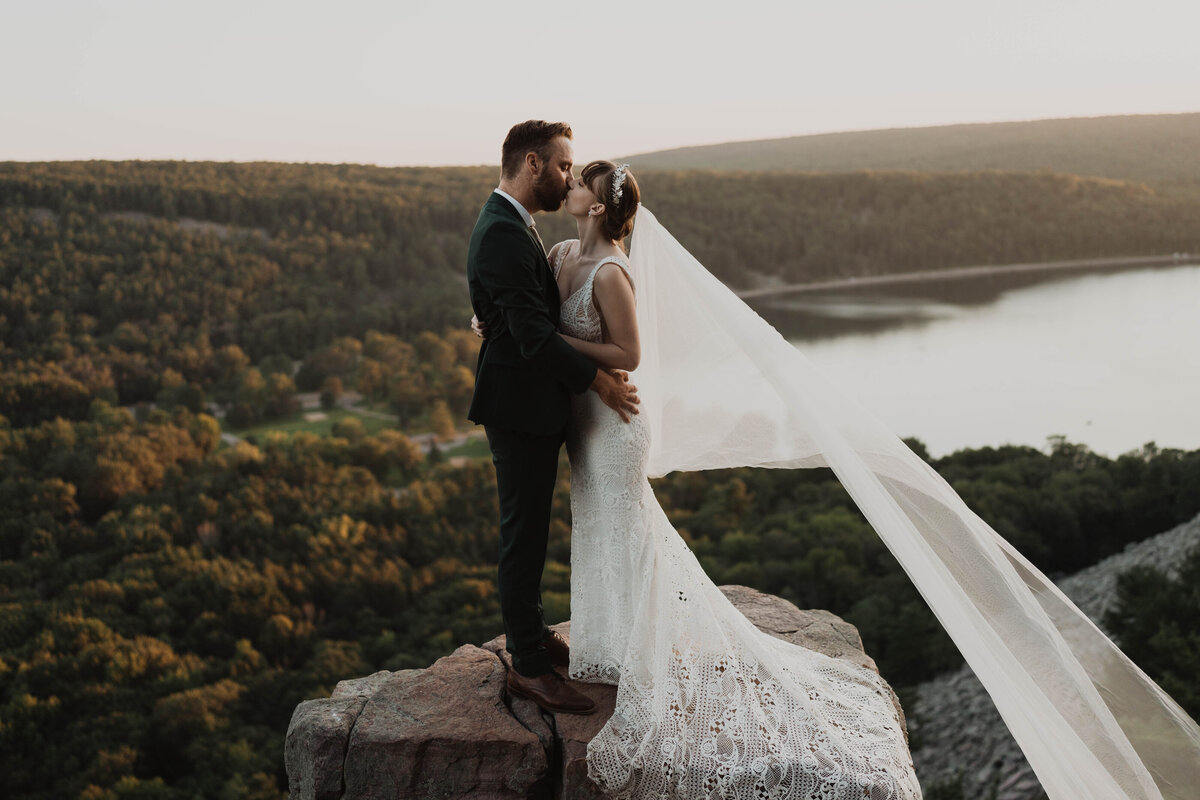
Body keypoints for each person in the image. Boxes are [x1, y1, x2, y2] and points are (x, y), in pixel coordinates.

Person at [480, 158, 1200, 800]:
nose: (570, 183)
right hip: (585, 418)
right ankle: (605, 640)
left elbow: (627, 354)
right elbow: (524, 307)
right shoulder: (563, 252)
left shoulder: (612, 271)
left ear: (600, 204)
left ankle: (636, 649)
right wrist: (498, 326)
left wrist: (555, 347)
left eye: (580, 179)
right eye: (569, 172)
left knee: (625, 527)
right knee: (596, 527)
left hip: (615, 423)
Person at [465, 122, 639, 718]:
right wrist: (600, 382)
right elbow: (536, 338)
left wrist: (491, 317)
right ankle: (529, 667)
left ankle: (534, 636)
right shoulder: (503, 230)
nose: (569, 178)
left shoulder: (517, 223)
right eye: (565, 166)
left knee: (534, 529)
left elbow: (522, 309)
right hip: (517, 407)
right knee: (523, 535)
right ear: (533, 164)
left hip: (531, 403)